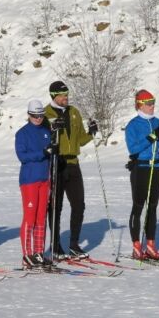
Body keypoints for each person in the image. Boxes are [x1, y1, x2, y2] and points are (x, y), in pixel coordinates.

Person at [43, 80, 98, 259]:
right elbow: (42, 140)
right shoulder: (45, 114)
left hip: (73, 163)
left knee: (79, 204)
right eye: (62, 95)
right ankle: (56, 246)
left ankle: (74, 244)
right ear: (53, 96)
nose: (65, 98)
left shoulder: (74, 112)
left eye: (66, 95)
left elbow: (80, 139)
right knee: (56, 207)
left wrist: (91, 133)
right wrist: (52, 131)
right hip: (56, 163)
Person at [125, 89, 159, 261]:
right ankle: (137, 246)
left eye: (153, 103)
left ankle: (151, 246)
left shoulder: (158, 122)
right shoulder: (133, 125)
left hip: (157, 166)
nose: (152, 106)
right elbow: (133, 148)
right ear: (140, 105)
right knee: (138, 206)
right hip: (141, 168)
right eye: (149, 103)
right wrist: (152, 136)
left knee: (152, 206)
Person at [15, 99, 53, 269]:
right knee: (29, 218)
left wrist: (53, 150)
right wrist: (42, 152)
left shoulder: (46, 131)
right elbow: (22, 156)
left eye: (40, 115)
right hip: (29, 179)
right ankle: (27, 255)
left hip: (44, 179)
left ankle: (38, 252)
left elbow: (50, 153)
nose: (38, 118)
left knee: (41, 218)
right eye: (35, 115)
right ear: (29, 115)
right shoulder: (22, 133)